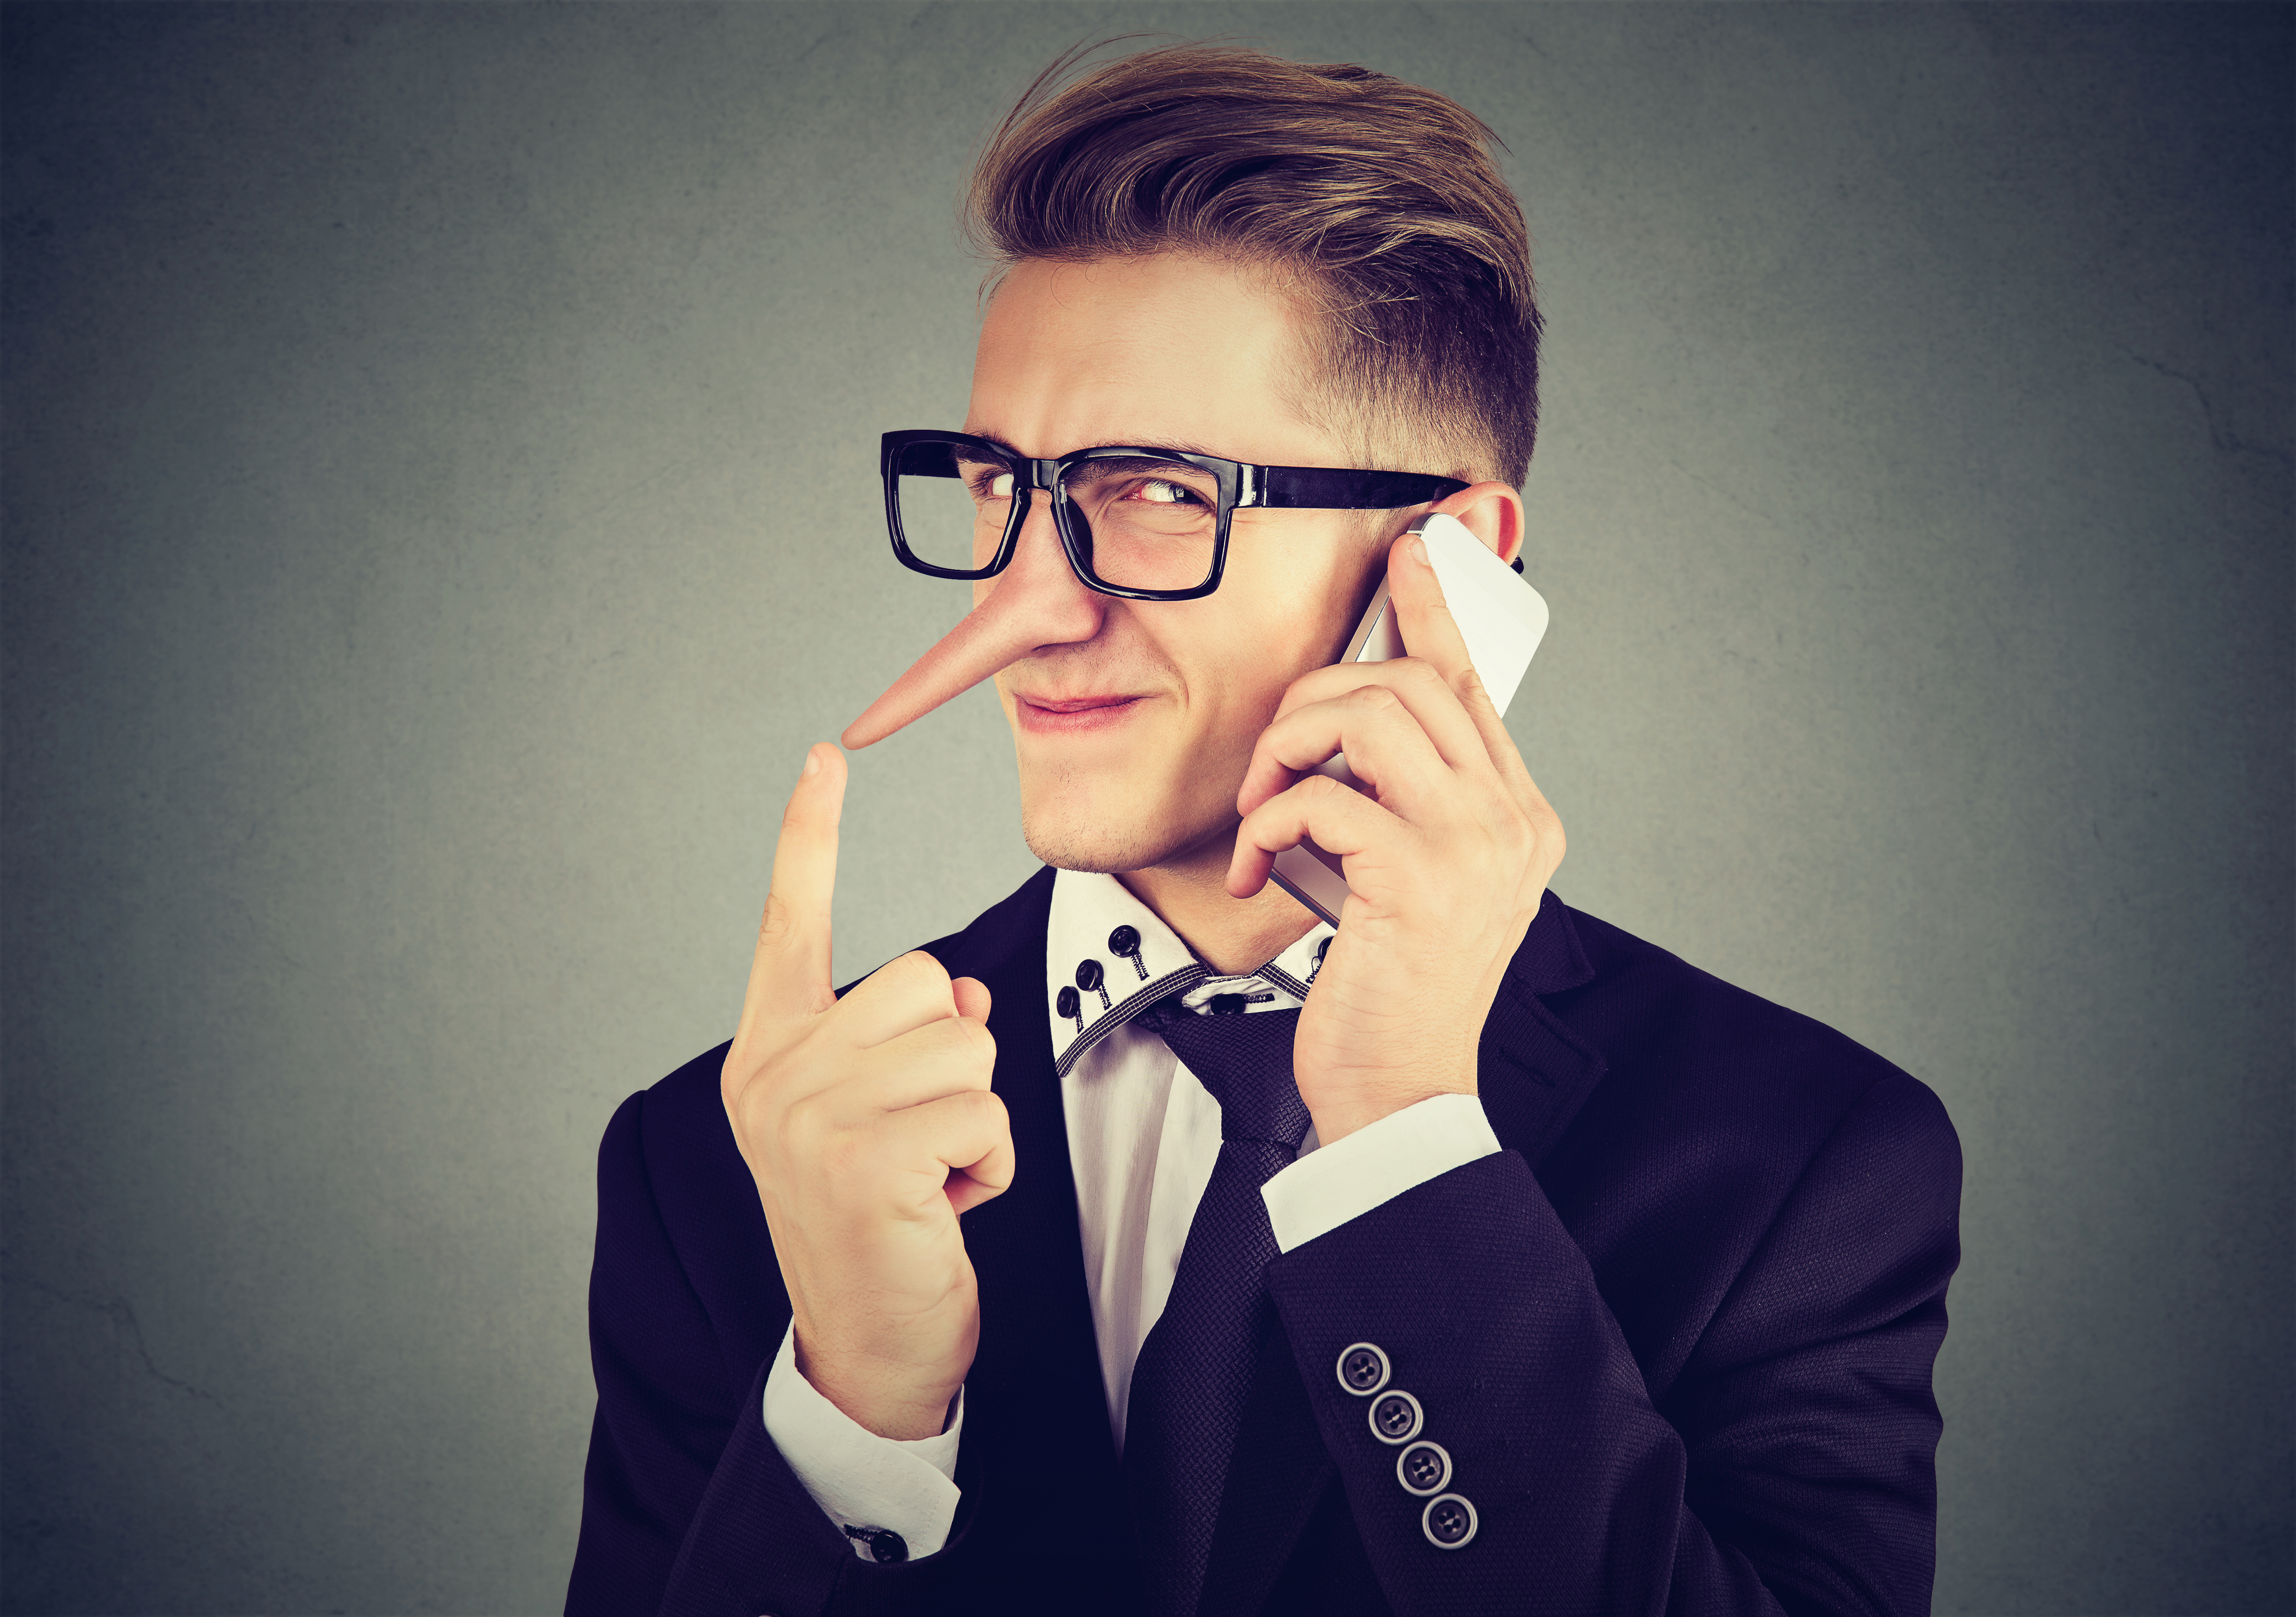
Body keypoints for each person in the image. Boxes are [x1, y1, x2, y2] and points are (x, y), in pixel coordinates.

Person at [566, 43, 1961, 1617]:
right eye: (989, 486)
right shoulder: (737, 1158)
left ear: (1445, 559)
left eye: (1154, 489)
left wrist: (1399, 1135)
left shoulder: (1799, 1158)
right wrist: (855, 1419)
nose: (1021, 607)